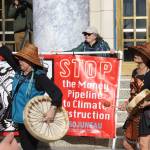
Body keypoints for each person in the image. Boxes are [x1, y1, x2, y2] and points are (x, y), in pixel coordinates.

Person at [0, 43, 63, 150]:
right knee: (26, 146)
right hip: (20, 119)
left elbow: (57, 93)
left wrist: (52, 110)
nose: (19, 60)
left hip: (31, 120)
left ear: (30, 62)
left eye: (22, 59)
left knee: (29, 147)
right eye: (19, 58)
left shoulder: (39, 77)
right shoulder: (20, 70)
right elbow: (8, 56)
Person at [122, 43, 150, 150]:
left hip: (147, 114)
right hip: (135, 112)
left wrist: (147, 103)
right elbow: (134, 93)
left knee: (143, 144)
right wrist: (127, 102)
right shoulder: (135, 72)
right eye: (135, 52)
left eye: (139, 53)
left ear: (146, 57)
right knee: (127, 144)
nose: (135, 54)